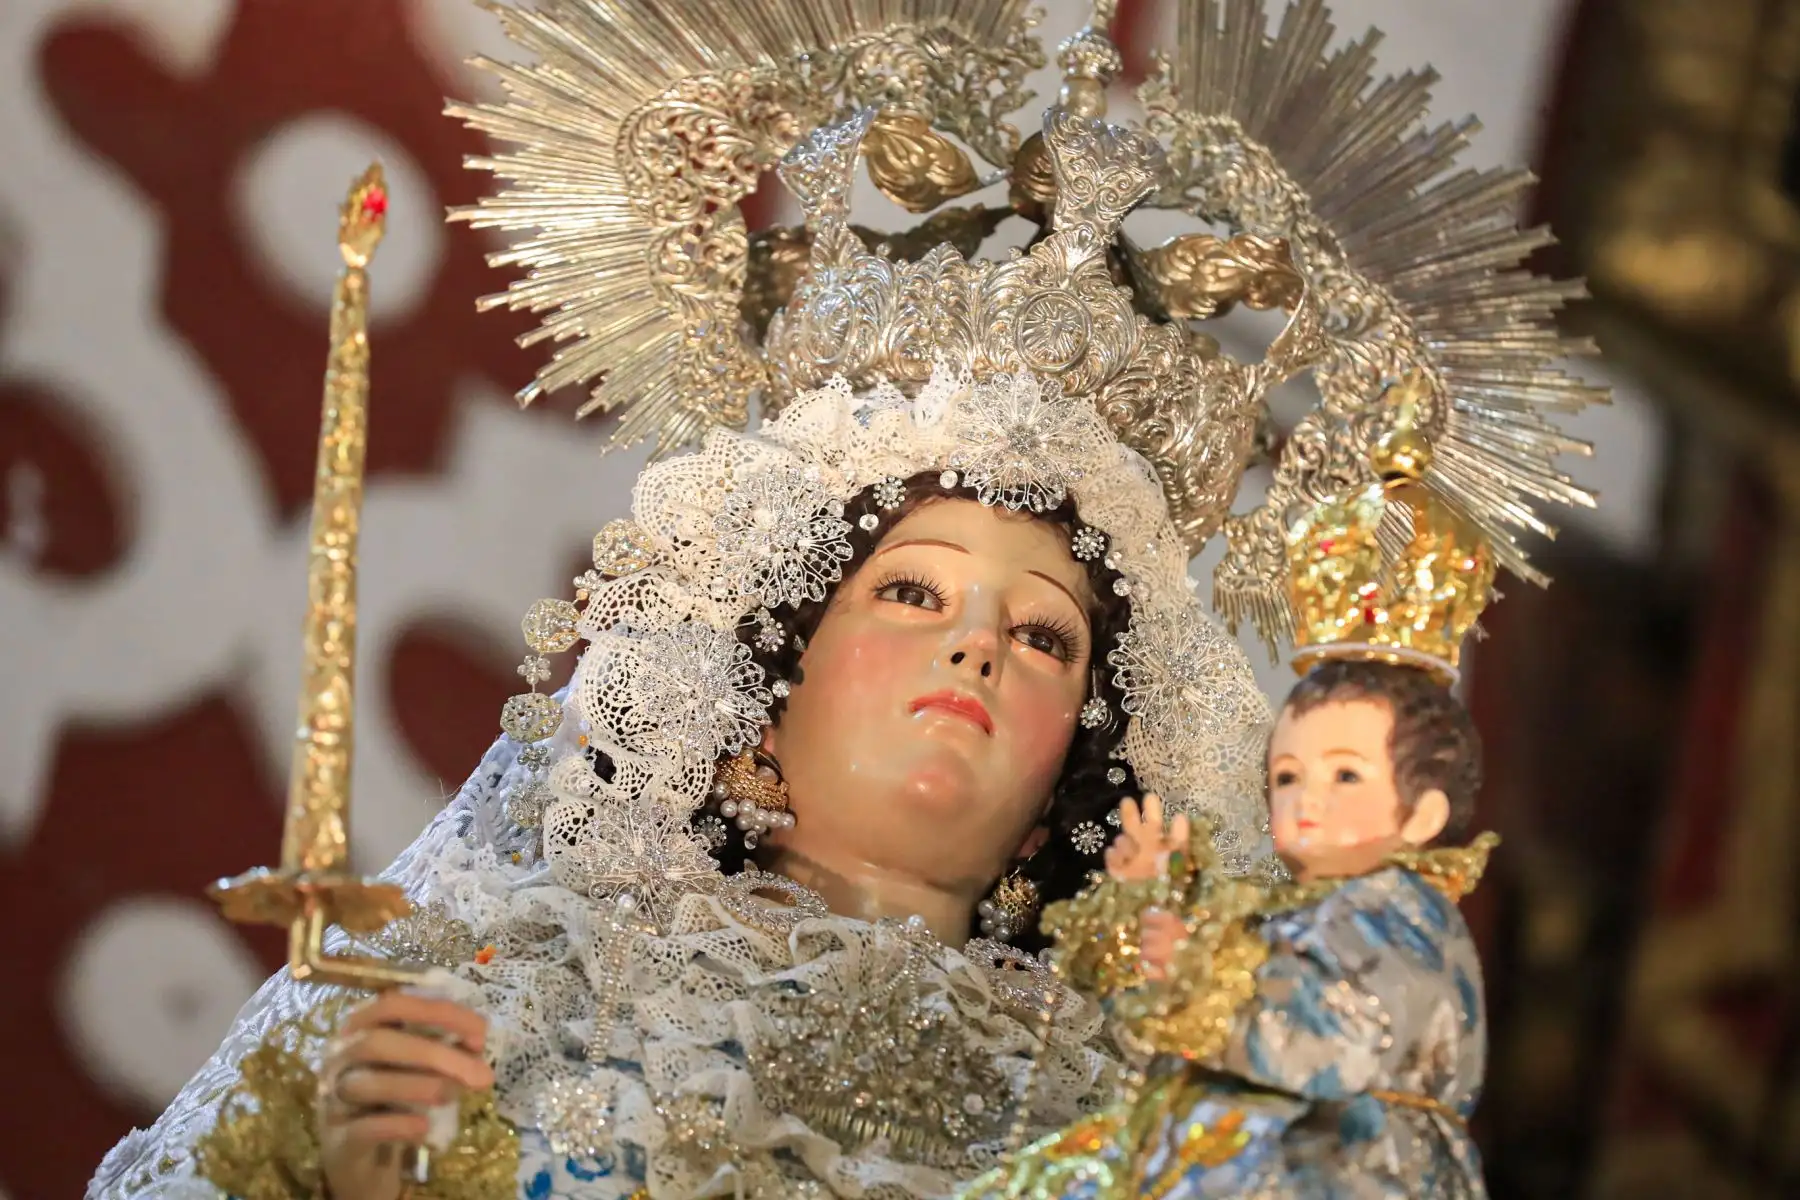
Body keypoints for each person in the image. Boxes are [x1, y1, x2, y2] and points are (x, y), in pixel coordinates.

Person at [89, 0, 1598, 1196]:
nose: (979, 641)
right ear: (758, 697)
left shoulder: (1138, 1095)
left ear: (1080, 767)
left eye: (1047, 635)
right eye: (913, 590)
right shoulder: (497, 996)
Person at [959, 429, 1505, 1199]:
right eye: (1287, 775)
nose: (1305, 799)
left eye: (1345, 775)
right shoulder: (1291, 906)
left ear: (1423, 815)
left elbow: (1337, 1043)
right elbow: (1163, 1003)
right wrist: (1152, 901)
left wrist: (1195, 964)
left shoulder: (1401, 916)